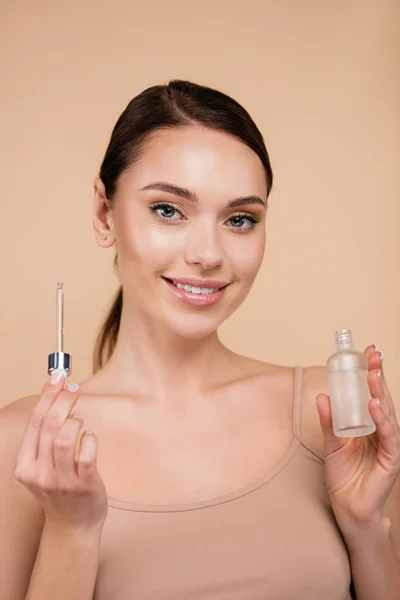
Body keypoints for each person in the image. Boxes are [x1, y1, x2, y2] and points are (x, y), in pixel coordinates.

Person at [1, 79, 399, 600]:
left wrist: (367, 526)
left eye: (240, 219)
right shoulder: (25, 446)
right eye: (168, 209)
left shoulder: (329, 413)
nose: (208, 254)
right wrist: (72, 532)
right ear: (105, 213)